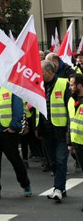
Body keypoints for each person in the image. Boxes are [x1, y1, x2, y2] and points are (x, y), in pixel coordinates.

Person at [0, 87, 32, 200]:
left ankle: (25, 184)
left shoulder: (12, 88)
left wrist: (13, 127)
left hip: (7, 132)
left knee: (15, 159)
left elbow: (18, 108)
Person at [36, 60, 70, 202]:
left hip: (61, 131)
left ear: (49, 71)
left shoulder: (63, 84)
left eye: (41, 71)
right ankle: (61, 187)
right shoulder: (39, 85)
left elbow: (70, 109)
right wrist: (37, 127)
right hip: (46, 131)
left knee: (61, 161)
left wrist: (69, 130)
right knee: (53, 163)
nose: (39, 74)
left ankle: (57, 189)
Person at [68, 73, 83, 210]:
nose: (70, 87)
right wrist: (70, 142)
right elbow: (70, 122)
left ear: (79, 86)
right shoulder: (72, 100)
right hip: (77, 143)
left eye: (72, 84)